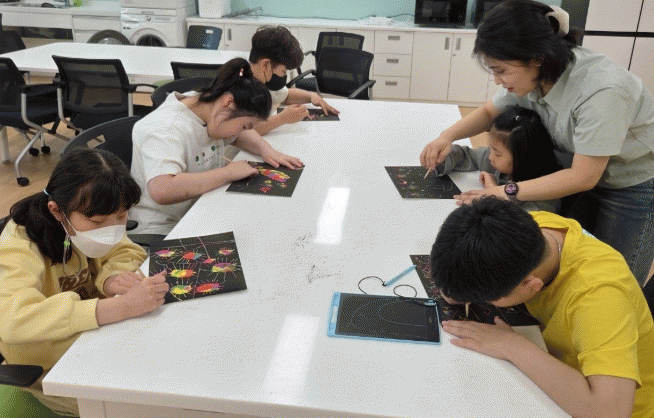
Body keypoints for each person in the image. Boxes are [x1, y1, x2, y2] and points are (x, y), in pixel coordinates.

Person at [419, 0, 654, 285]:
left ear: (536, 58)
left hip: (629, 185)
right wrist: (446, 137)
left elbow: (583, 176)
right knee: (573, 263)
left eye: (502, 71)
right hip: (578, 173)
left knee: (616, 278)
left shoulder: (602, 91)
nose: (497, 81)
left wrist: (506, 191)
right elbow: (489, 112)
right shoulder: (536, 75)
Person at [430, 196, 654, 418]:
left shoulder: (600, 297)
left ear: (532, 285)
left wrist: (511, 345)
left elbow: (610, 412)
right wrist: (457, 284)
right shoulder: (532, 226)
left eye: (489, 299)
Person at [0, 148, 169, 417]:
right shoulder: (19, 244)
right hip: (50, 366)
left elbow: (126, 250)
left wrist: (110, 278)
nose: (111, 230)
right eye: (97, 221)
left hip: (97, 338)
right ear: (57, 211)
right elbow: (13, 320)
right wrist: (118, 308)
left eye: (122, 216)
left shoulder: (94, 213)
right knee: (147, 405)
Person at [129, 57, 303, 235]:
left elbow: (238, 130)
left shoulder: (207, 103)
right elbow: (162, 189)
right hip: (163, 228)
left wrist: (266, 150)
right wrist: (227, 173)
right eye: (245, 125)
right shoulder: (166, 128)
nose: (241, 132)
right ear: (228, 103)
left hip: (200, 207)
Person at [436, 105, 561, 213]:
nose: (490, 156)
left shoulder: (545, 195)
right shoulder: (499, 162)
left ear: (522, 158)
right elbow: (467, 155)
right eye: (491, 148)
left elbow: (521, 225)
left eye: (497, 153)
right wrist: (442, 158)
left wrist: (493, 196)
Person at [247, 25, 340, 135]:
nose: (284, 76)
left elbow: (285, 95)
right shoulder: (239, 90)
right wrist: (282, 118)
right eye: (283, 71)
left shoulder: (265, 82)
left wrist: (311, 96)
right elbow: (244, 132)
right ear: (265, 65)